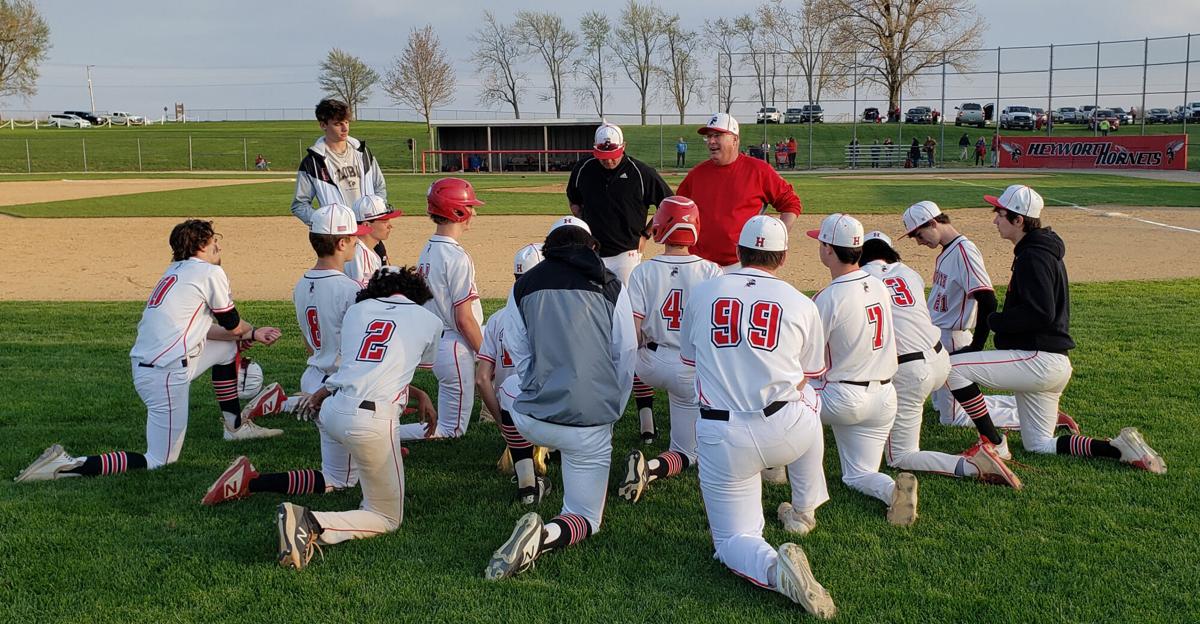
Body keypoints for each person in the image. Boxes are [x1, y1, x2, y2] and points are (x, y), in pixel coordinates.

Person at [200, 206, 437, 505]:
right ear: (340, 243)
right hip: (339, 387)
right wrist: (415, 391)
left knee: (342, 467)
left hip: (315, 376)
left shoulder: (301, 285)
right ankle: (251, 480)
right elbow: (366, 357)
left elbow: (308, 343)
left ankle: (363, 451)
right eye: (353, 238)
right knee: (340, 480)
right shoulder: (350, 290)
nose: (356, 243)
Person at [16, 220, 284, 483]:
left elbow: (208, 330)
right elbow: (232, 323)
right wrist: (252, 331)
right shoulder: (209, 272)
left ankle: (234, 428)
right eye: (215, 242)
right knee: (160, 459)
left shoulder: (176, 271)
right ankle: (67, 465)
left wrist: (244, 335)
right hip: (165, 375)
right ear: (201, 246)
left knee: (227, 347)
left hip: (159, 365)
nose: (218, 248)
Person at [678, 216, 836, 619]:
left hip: (723, 434)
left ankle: (773, 568)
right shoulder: (800, 302)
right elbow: (812, 372)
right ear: (782, 258)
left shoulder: (704, 292)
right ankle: (804, 507)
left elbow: (689, 360)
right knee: (812, 400)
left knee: (732, 539)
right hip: (788, 430)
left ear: (739, 251)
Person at [948, 185, 1166, 474]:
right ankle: (1118, 448)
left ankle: (994, 442)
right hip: (1053, 364)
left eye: (999, 214)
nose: (995, 220)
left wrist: (995, 321)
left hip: (1038, 358)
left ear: (1019, 220)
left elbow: (1041, 312)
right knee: (1038, 444)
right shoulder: (1037, 251)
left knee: (953, 368)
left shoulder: (1033, 256)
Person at [484, 219, 636, 581]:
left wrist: (539, 388)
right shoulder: (612, 284)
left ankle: (526, 479)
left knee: (508, 390)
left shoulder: (523, 285)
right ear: (592, 247)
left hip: (531, 421)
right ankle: (545, 536)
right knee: (584, 518)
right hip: (589, 424)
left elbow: (518, 353)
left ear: (548, 250)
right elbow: (625, 353)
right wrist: (612, 408)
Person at [274, 266, 443, 570]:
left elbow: (358, 366)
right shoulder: (429, 320)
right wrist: (420, 394)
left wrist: (322, 394)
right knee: (386, 517)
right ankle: (310, 522)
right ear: (416, 291)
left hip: (333, 407)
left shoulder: (359, 310)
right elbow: (404, 363)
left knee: (341, 476)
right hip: (371, 419)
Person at [858, 231, 1020, 488]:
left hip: (910, 370)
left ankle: (973, 465)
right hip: (939, 358)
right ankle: (996, 439)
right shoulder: (910, 274)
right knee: (943, 411)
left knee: (901, 455)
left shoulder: (861, 280)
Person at [807, 214, 917, 525]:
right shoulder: (879, 285)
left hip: (842, 398)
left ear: (829, 250)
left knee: (785, 400)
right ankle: (889, 490)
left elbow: (809, 362)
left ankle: (790, 482)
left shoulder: (828, 297)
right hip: (884, 398)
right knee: (857, 474)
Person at [616, 196, 722, 503]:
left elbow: (632, 332)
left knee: (627, 356)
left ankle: (636, 422)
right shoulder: (712, 271)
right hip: (690, 368)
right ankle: (649, 468)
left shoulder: (642, 271)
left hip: (648, 363)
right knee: (688, 453)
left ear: (660, 227)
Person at [900, 201, 1025, 432]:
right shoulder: (948, 250)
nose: (918, 241)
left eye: (919, 234)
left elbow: (988, 299)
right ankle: (1021, 406)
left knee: (954, 417)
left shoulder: (964, 250)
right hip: (941, 338)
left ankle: (1033, 417)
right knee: (943, 407)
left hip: (955, 339)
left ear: (933, 223)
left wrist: (977, 345)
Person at [676, 113, 803, 271]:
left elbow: (791, 203)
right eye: (708, 137)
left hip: (742, 265)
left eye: (717, 135)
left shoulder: (758, 170)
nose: (711, 141)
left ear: (735, 139)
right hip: (701, 265)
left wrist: (777, 238)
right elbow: (677, 211)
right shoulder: (697, 174)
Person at [411, 178, 487, 440]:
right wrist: (486, 355)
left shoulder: (428, 248)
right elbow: (464, 319)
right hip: (455, 347)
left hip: (439, 343)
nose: (474, 212)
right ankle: (384, 433)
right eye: (469, 207)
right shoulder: (456, 256)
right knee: (450, 430)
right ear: (457, 211)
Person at [477, 243, 552, 490]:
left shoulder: (497, 318)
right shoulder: (552, 316)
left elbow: (482, 379)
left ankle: (518, 445)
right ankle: (545, 445)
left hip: (511, 414)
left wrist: (501, 423)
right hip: (549, 410)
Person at [567, 122, 672, 285]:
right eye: (603, 156)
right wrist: (584, 225)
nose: (608, 161)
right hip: (591, 252)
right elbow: (574, 200)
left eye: (613, 155)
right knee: (591, 303)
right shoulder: (583, 169)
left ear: (624, 147)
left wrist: (645, 235)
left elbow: (667, 204)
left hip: (626, 253)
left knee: (626, 303)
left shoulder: (641, 172)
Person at [290, 98, 387, 228]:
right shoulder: (313, 161)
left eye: (347, 122)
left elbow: (379, 186)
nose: (345, 128)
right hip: (338, 234)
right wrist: (326, 222)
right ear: (323, 125)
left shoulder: (362, 152)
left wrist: (377, 214)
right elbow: (299, 204)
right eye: (338, 124)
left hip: (369, 230)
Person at [345, 195, 401, 288]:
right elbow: (364, 293)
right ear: (366, 225)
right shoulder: (360, 254)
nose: (390, 226)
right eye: (384, 222)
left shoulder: (372, 249)